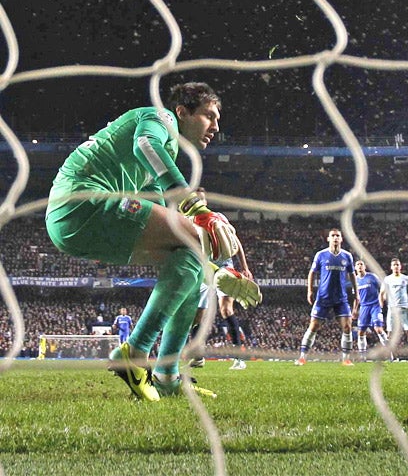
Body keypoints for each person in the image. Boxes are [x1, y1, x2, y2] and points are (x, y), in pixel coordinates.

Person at [44, 82, 261, 402]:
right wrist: (194, 206)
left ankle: (167, 376)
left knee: (187, 258)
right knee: (195, 236)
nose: (216, 126)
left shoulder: (165, 154)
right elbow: (145, 145)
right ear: (182, 112)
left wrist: (215, 273)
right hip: (83, 200)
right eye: (209, 116)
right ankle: (135, 353)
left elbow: (176, 234)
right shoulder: (159, 118)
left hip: (80, 223)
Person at [189, 224, 253, 370]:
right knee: (197, 315)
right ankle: (198, 357)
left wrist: (245, 267)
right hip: (205, 271)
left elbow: (237, 244)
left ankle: (239, 359)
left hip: (225, 269)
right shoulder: (194, 225)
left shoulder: (218, 223)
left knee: (226, 310)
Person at [296, 228, 358, 365]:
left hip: (341, 298)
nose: (335, 238)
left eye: (338, 236)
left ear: (341, 239)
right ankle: (302, 357)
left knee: (347, 327)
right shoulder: (321, 255)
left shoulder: (347, 256)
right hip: (323, 297)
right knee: (313, 326)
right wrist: (309, 291)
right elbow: (312, 273)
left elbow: (352, 275)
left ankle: (346, 359)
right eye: (333, 236)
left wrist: (356, 293)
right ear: (328, 239)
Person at [380, 257, 408, 357]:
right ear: (391, 267)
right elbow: (382, 294)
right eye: (394, 265)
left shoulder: (406, 278)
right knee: (389, 334)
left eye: (397, 264)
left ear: (400, 266)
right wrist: (381, 307)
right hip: (392, 309)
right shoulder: (387, 279)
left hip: (404, 308)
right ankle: (389, 356)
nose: (396, 266)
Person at [354, 259, 388, 359]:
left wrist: (383, 297)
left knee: (378, 329)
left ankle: (389, 352)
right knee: (361, 331)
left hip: (375, 306)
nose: (360, 266)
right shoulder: (355, 280)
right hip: (364, 307)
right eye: (358, 265)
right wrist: (355, 309)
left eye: (361, 264)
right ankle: (362, 356)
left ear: (365, 267)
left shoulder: (372, 277)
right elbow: (357, 297)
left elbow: (383, 287)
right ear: (355, 268)